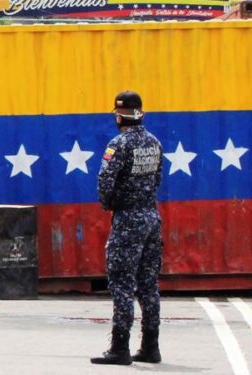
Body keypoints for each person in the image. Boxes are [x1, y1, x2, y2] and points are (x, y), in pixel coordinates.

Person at [91, 91, 164, 365]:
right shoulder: (154, 142)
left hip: (128, 220)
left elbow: (105, 182)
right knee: (148, 285)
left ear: (119, 115)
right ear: (140, 113)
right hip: (150, 217)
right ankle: (151, 346)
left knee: (122, 283)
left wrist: (112, 204)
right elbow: (157, 178)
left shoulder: (118, 144)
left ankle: (120, 347)